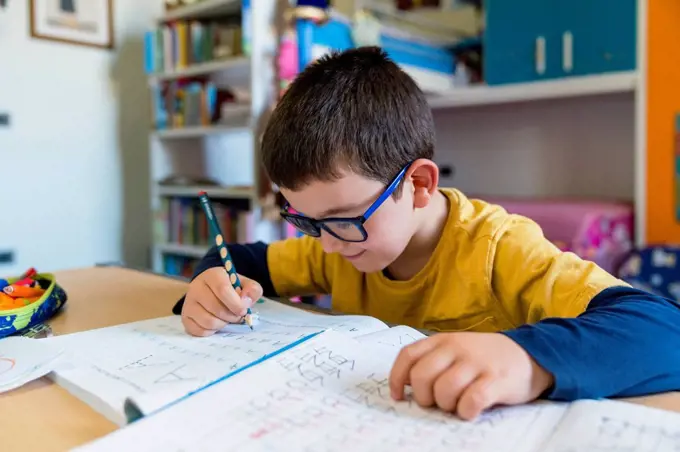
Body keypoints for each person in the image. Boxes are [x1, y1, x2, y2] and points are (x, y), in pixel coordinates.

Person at [173, 46, 680, 421]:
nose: (323, 244)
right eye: (305, 220)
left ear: (417, 184)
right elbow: (243, 258)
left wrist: (526, 358)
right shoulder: (343, 246)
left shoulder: (499, 248)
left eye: (342, 220)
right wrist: (212, 281)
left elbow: (662, 332)